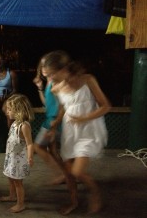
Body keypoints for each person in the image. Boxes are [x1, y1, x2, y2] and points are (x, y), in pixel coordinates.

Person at [45, 50, 111, 214]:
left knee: (77, 171)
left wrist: (84, 118)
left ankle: (95, 193)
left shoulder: (88, 80)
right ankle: (73, 202)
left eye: (52, 74)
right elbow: (63, 108)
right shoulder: (56, 88)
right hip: (70, 131)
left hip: (88, 130)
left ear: (63, 69)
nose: (50, 79)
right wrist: (54, 126)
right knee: (68, 173)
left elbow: (106, 106)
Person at [33, 55, 78, 215]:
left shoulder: (62, 83)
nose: (45, 75)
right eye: (44, 73)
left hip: (56, 123)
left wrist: (56, 124)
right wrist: (39, 87)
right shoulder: (51, 83)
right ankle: (63, 176)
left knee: (38, 147)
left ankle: (62, 176)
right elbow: (46, 103)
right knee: (53, 152)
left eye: (47, 72)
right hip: (51, 120)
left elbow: (64, 106)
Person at [0, 94, 34, 213]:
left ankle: (20, 204)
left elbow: (29, 143)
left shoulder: (24, 126)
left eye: (10, 109)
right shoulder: (15, 123)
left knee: (18, 182)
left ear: (18, 110)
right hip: (12, 157)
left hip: (19, 160)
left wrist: (30, 157)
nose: (7, 111)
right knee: (10, 177)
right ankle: (12, 196)